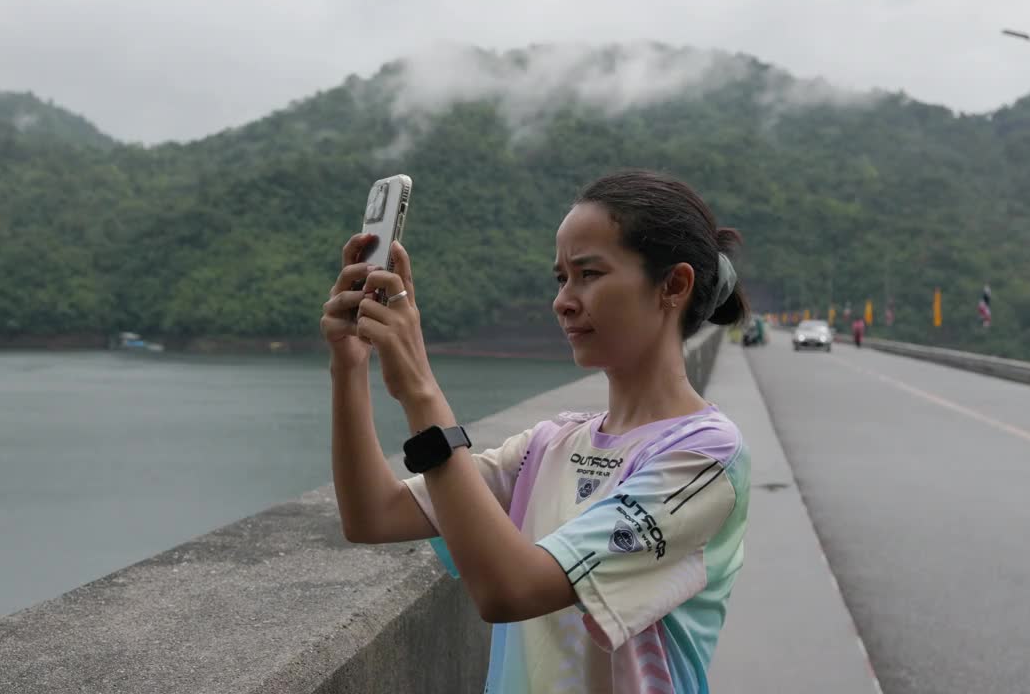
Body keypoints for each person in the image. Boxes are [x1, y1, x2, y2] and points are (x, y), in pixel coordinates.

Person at [320, 170, 752, 693]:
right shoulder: (552, 444)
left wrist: (421, 393)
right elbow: (371, 515)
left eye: (589, 274)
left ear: (673, 286)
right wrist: (349, 366)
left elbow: (511, 589)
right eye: (560, 278)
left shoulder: (705, 458)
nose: (564, 300)